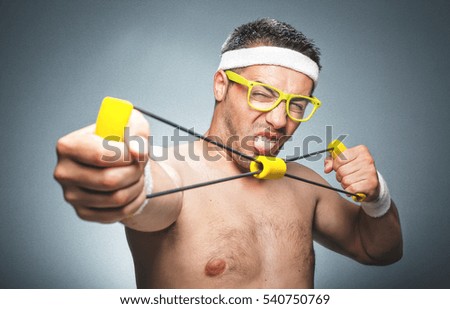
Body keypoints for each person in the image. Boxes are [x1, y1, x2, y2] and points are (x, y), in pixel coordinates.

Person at [54, 18, 402, 288]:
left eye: (297, 105)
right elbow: (143, 193)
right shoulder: (173, 172)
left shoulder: (304, 183)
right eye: (263, 94)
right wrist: (121, 179)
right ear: (221, 85)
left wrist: (376, 198)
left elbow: (379, 250)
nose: (280, 120)